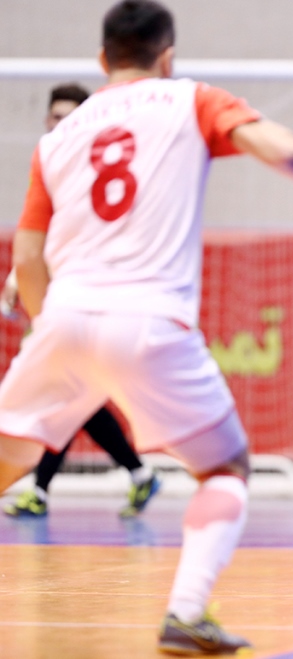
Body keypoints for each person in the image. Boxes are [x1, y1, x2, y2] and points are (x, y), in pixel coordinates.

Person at [0, 0, 293, 655]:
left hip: (63, 316)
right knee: (225, 466)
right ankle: (186, 611)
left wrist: (45, 327)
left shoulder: (58, 136)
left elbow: (27, 258)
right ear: (167, 56)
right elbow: (271, 145)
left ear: (102, 58)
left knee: (8, 459)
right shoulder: (188, 100)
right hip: (149, 321)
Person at [2, 82, 160, 520]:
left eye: (70, 117)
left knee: (65, 395)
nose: (61, 125)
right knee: (73, 396)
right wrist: (19, 275)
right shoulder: (51, 165)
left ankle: (45, 488)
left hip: (96, 301)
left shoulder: (94, 169)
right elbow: (40, 235)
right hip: (62, 302)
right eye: (55, 117)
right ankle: (136, 473)